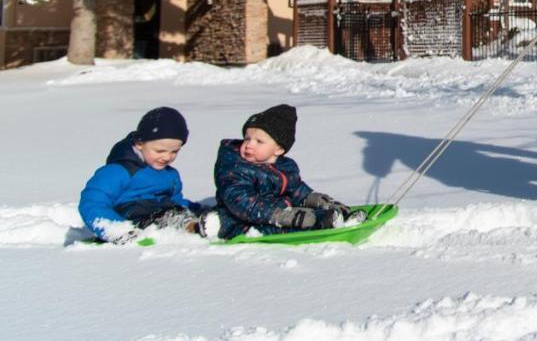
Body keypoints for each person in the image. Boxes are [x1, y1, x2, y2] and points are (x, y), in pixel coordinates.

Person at [202, 103, 362, 239]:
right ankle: (323, 223)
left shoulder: (285, 166)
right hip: (242, 219)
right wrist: (282, 215)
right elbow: (240, 201)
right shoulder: (235, 165)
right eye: (247, 138)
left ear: (278, 149)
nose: (249, 144)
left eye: (259, 141)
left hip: (280, 212)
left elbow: (297, 190)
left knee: (306, 214)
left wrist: (315, 199)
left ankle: (337, 216)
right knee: (285, 228)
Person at [79, 106, 202, 241]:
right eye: (160, 151)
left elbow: (176, 201)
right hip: (133, 218)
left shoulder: (170, 174)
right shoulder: (119, 171)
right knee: (167, 215)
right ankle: (192, 227)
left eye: (174, 152)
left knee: (179, 211)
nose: (167, 157)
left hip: (165, 212)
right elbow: (93, 202)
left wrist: (198, 209)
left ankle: (203, 224)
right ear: (139, 143)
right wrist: (116, 230)